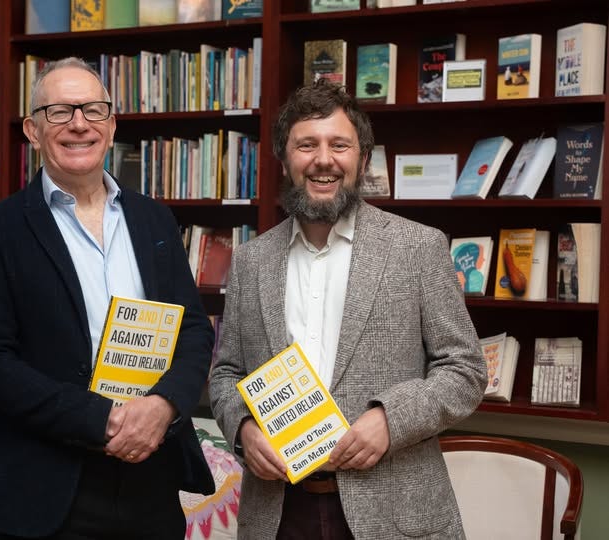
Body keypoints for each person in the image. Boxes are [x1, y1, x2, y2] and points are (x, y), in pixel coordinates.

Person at [208, 79, 487, 540]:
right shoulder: (250, 260)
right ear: (284, 159)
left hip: (395, 513)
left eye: (339, 145)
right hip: (278, 513)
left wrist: (390, 419)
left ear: (361, 159)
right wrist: (242, 430)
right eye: (306, 145)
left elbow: (465, 369)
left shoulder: (417, 247)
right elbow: (226, 372)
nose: (323, 160)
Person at [0, 57, 215, 540]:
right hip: (47, 489)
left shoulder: (155, 221)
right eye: (60, 111)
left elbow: (194, 330)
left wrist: (163, 406)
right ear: (32, 130)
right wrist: (102, 420)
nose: (79, 124)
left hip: (151, 481)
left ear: (111, 125)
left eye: (93, 110)